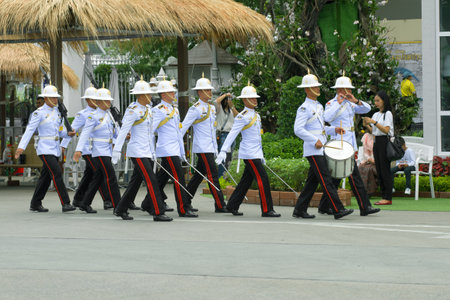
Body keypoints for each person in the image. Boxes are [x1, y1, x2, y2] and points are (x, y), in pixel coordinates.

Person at [291, 72, 353, 219]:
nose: (317, 89)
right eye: (314, 87)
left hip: (320, 147)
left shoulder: (318, 106)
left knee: (312, 182)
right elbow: (298, 129)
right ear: (307, 89)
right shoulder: (304, 108)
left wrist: (334, 129)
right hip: (313, 149)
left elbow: (321, 128)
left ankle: (299, 209)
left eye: (317, 86)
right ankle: (338, 209)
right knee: (326, 179)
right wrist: (314, 140)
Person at [318, 74, 380, 216]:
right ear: (339, 89)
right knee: (353, 175)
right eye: (345, 89)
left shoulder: (350, 103)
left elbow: (366, 109)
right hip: (339, 143)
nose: (348, 91)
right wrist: (339, 103)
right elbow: (327, 118)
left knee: (335, 177)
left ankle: (323, 206)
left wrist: (356, 100)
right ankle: (365, 207)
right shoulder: (331, 104)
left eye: (349, 89)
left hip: (349, 143)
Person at [215, 83, 281, 217]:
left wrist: (261, 154)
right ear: (245, 100)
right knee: (263, 179)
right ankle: (267, 209)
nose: (255, 100)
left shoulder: (256, 115)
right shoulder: (242, 116)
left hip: (255, 153)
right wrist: (223, 151)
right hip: (249, 154)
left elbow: (257, 138)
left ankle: (232, 205)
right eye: (252, 98)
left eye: (256, 98)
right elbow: (232, 134)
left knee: (246, 181)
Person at [112, 79, 172, 221]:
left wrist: (153, 152)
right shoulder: (133, 111)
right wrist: (116, 151)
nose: (151, 97)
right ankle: (158, 211)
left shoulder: (148, 110)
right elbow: (123, 131)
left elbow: (149, 134)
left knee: (135, 182)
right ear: (141, 95)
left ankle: (121, 208)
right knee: (152, 180)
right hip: (137, 151)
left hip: (146, 151)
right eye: (148, 94)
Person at [15, 84, 76, 213]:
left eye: (56, 98)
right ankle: (66, 203)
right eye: (53, 98)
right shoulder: (39, 113)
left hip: (55, 148)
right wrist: (21, 147)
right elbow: (29, 130)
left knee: (46, 177)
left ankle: (35, 203)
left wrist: (67, 133)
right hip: (44, 148)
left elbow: (60, 131)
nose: (55, 100)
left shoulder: (57, 113)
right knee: (57, 173)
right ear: (46, 98)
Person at [73, 87, 124, 217]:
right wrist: (79, 149)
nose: (109, 103)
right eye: (106, 101)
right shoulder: (93, 116)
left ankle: (85, 202)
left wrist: (122, 137)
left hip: (107, 149)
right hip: (99, 150)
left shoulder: (109, 115)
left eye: (109, 101)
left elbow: (114, 131)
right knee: (111, 177)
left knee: (98, 177)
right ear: (99, 102)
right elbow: (85, 133)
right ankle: (119, 207)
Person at [60, 86, 113, 210]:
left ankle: (78, 199)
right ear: (88, 100)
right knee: (98, 173)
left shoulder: (105, 113)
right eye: (93, 99)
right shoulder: (83, 114)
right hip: (87, 149)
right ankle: (107, 199)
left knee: (90, 174)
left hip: (99, 149)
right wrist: (63, 145)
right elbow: (71, 130)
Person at [181, 75, 228, 213]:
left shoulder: (211, 108)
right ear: (200, 92)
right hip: (202, 147)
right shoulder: (195, 109)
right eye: (207, 90)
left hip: (209, 147)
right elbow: (183, 127)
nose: (210, 93)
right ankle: (220, 204)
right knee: (212, 175)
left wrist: (215, 149)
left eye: (210, 90)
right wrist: (177, 146)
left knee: (197, 177)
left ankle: (186, 200)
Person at [152, 78, 198, 218]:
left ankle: (148, 203)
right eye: (171, 92)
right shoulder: (158, 110)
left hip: (174, 149)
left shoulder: (175, 110)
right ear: (164, 94)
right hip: (166, 149)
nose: (174, 94)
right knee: (179, 179)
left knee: (161, 179)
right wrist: (151, 151)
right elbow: (150, 131)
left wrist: (182, 152)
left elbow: (178, 134)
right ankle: (183, 209)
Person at [363, 90, 394, 205]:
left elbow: (386, 130)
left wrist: (374, 122)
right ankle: (383, 196)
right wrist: (367, 125)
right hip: (377, 141)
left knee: (385, 170)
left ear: (384, 101)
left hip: (384, 142)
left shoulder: (388, 114)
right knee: (379, 170)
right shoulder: (376, 114)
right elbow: (374, 132)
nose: (376, 103)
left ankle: (388, 197)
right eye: (375, 101)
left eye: (378, 100)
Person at [215, 92, 239, 177]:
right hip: (223, 135)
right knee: (222, 158)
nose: (229, 101)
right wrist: (225, 95)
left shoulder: (231, 111)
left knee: (229, 158)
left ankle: (226, 176)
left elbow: (239, 117)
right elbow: (216, 102)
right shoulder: (219, 109)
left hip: (231, 135)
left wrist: (232, 106)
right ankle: (220, 177)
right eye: (227, 99)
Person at [358, 131, 378, 195]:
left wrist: (376, 160)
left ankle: (370, 191)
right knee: (361, 168)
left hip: (379, 160)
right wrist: (369, 159)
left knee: (370, 170)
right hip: (369, 159)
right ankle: (363, 190)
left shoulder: (380, 135)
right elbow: (365, 152)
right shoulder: (366, 136)